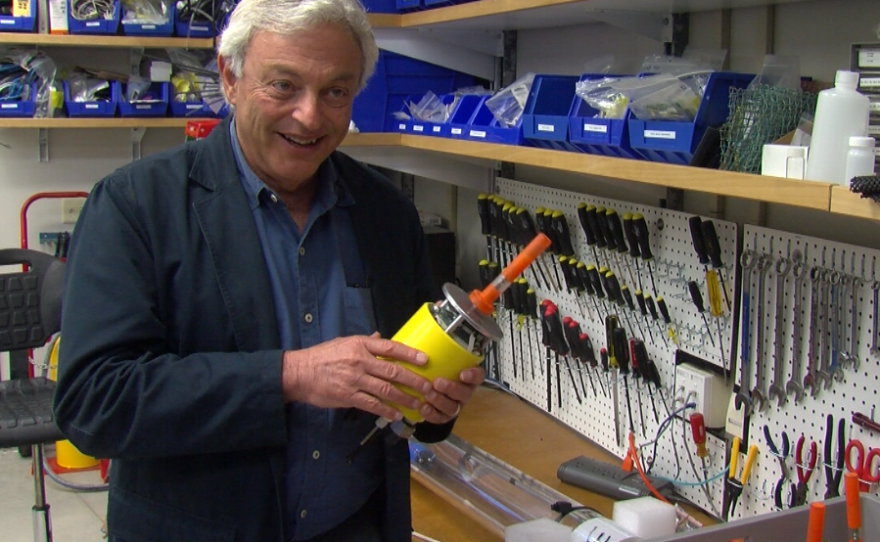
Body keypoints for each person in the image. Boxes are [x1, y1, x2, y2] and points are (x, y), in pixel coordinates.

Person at [53, 0, 485, 540]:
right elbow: (96, 402)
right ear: (229, 77)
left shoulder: (387, 214)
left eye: (335, 91)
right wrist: (291, 375)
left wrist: (436, 403)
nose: (309, 116)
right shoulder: (134, 206)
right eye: (283, 85)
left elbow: (409, 396)